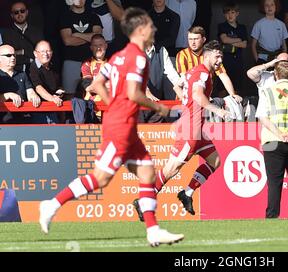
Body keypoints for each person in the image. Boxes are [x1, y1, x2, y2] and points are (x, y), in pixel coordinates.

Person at [38, 7, 184, 247]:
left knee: (147, 173)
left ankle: (153, 230)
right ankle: (52, 204)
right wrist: (158, 108)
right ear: (139, 30)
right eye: (150, 25)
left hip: (123, 123)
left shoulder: (118, 56)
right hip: (121, 127)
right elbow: (134, 93)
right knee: (101, 179)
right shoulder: (136, 57)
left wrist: (113, 104)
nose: (154, 29)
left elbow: (96, 83)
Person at [133, 40, 232, 219]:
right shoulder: (202, 74)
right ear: (207, 56)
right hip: (190, 129)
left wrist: (186, 104)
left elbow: (177, 85)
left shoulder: (193, 72)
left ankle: (186, 193)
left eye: (222, 57)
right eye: (217, 56)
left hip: (198, 128)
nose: (220, 60)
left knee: (215, 161)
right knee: (172, 168)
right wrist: (217, 109)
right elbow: (197, 95)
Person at [255, 60, 288, 218]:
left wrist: (279, 134)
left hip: (272, 142)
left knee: (274, 182)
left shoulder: (267, 91)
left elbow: (263, 118)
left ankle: (272, 216)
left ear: (275, 75)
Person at [176, 26, 242, 102]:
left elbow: (223, 76)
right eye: (190, 39)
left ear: (203, 39)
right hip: (186, 98)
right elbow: (184, 79)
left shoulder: (211, 55)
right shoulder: (182, 54)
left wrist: (233, 95)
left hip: (205, 98)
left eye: (196, 39)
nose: (193, 42)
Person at [59, 0, 102, 99]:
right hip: (71, 60)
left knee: (94, 94)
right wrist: (89, 38)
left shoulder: (93, 16)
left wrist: (77, 34)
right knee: (68, 95)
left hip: (91, 62)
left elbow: (98, 38)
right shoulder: (65, 17)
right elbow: (68, 40)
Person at [0, 44, 41, 124]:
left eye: (14, 55)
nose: (13, 58)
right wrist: (8, 95)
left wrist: (34, 96)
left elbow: (30, 92)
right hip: (4, 123)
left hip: (24, 121)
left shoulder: (22, 74)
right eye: (8, 55)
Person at [1, 1, 44, 73]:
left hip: (36, 72)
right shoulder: (7, 33)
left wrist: (21, 52)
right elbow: (7, 57)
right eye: (16, 12)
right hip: (16, 73)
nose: (20, 14)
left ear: (27, 12)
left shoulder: (37, 31)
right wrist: (30, 58)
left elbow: (42, 54)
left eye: (22, 11)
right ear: (12, 15)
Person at [29, 40, 64, 124]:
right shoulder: (32, 67)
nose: (46, 54)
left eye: (48, 51)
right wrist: (52, 98)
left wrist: (59, 93)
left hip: (53, 108)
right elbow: (38, 87)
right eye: (42, 51)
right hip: (37, 109)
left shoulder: (54, 66)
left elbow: (58, 86)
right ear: (35, 53)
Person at [218, 1, 247, 95]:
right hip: (225, 60)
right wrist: (238, 39)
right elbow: (224, 39)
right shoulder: (222, 26)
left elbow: (244, 44)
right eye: (227, 13)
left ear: (237, 13)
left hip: (238, 61)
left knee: (237, 88)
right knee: (222, 88)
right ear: (224, 14)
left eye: (232, 12)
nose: (230, 15)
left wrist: (231, 42)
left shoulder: (242, 27)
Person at [251, 0, 288, 64]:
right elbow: (253, 45)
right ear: (263, 7)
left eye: (272, 5)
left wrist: (283, 59)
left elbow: (284, 45)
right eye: (266, 5)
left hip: (277, 58)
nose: (269, 7)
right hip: (262, 58)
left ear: (276, 7)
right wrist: (257, 60)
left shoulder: (281, 24)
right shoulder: (258, 24)